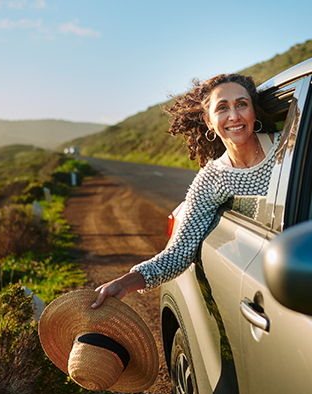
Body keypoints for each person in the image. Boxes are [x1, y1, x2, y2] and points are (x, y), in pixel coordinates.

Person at [92, 73, 281, 308]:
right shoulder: (211, 179)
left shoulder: (289, 145)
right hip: (264, 281)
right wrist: (126, 282)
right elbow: (179, 252)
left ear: (253, 111)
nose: (234, 116)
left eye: (242, 104)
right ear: (209, 121)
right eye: (222, 108)